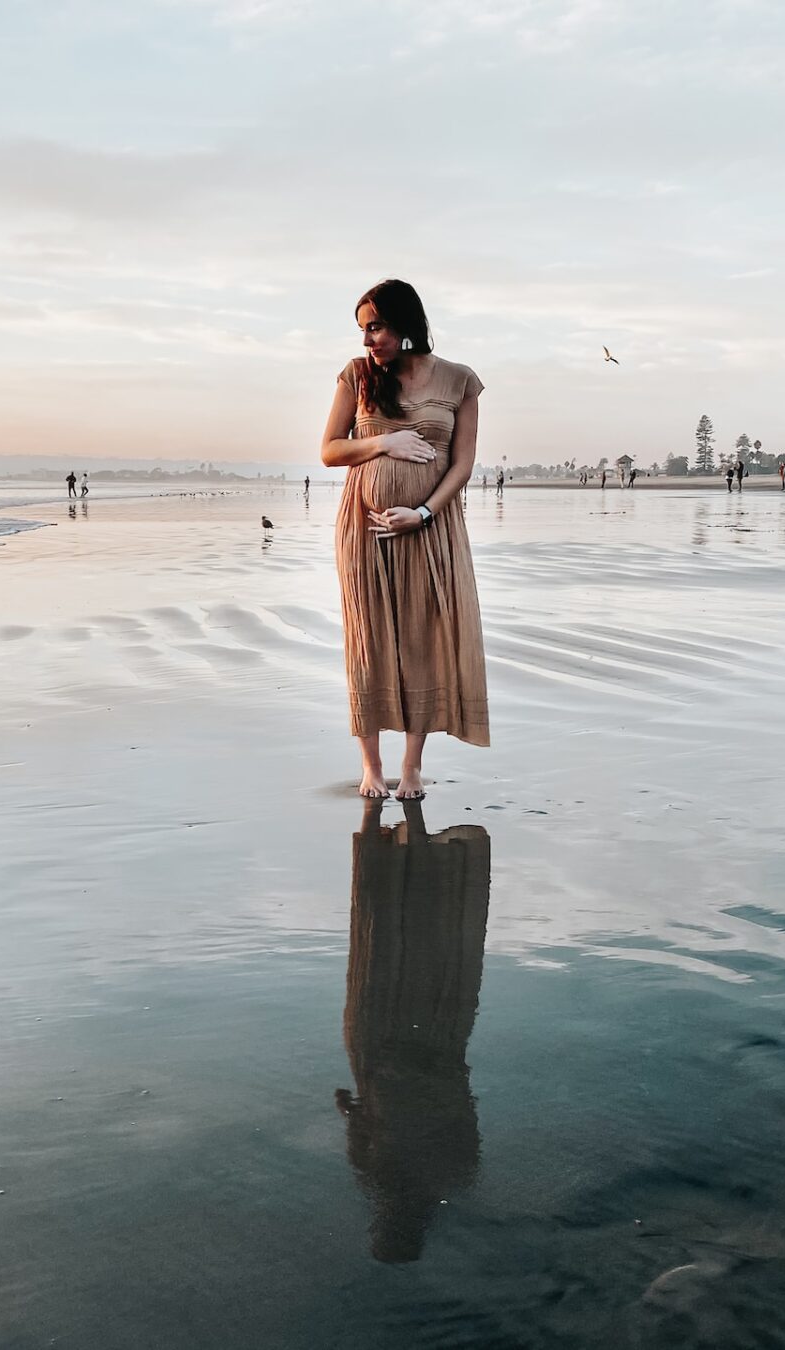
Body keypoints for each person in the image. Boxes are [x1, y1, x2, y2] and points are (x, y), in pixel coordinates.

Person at [321, 279, 489, 800]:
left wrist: (421, 512)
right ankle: (371, 766)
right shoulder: (358, 376)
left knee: (423, 639)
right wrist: (382, 442)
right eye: (363, 329)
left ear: (405, 324)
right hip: (364, 532)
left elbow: (462, 464)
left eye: (376, 326)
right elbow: (329, 450)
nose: (368, 339)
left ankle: (411, 766)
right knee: (369, 644)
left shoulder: (459, 381)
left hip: (431, 531)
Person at [336, 798, 488, 1263]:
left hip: (427, 1059)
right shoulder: (448, 1177)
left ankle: (414, 858)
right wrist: (348, 1106)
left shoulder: (395, 1178)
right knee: (398, 975)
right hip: (416, 1060)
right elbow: (355, 1119)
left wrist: (351, 1108)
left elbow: (360, 1126)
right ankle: (417, 856)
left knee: (398, 976)